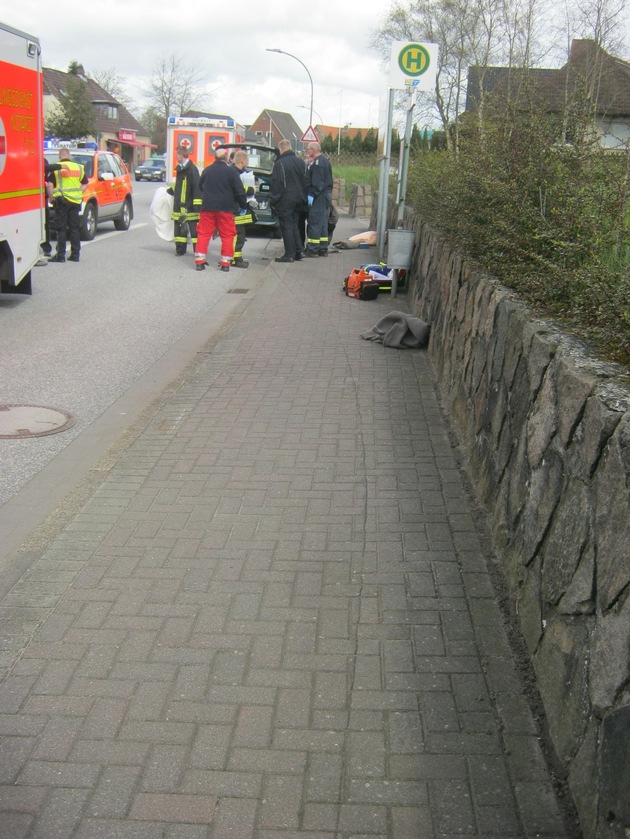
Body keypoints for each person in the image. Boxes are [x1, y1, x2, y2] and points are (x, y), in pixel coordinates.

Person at [194, 148, 247, 272]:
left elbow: (201, 186)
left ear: (214, 158)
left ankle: (200, 261)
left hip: (208, 207)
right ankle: (225, 263)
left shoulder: (207, 170)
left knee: (204, 233)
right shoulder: (231, 172)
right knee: (227, 235)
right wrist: (243, 205)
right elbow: (239, 191)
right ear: (227, 158)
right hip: (226, 208)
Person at [47, 149, 88, 263]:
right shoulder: (78, 167)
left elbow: (49, 185)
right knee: (74, 228)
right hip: (75, 202)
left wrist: (51, 198)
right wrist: (78, 193)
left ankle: (60, 256)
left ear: (60, 156)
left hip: (62, 201)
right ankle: (75, 255)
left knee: (61, 228)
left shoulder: (57, 168)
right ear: (69, 156)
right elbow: (85, 184)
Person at [269, 138, 307, 263]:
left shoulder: (280, 164)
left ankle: (289, 254)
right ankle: (299, 250)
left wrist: (273, 201)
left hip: (286, 199)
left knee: (286, 226)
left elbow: (277, 184)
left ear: (281, 149)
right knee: (295, 225)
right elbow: (306, 181)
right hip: (300, 198)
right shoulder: (301, 162)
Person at [167, 146, 201, 256]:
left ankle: (198, 251)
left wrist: (197, 207)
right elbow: (179, 186)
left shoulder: (192, 169)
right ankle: (180, 250)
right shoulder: (180, 169)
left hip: (189, 206)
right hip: (179, 206)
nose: (175, 156)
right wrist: (170, 191)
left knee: (194, 231)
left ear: (181, 155)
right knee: (178, 229)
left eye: (176, 154)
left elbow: (197, 188)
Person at [230, 149, 259, 268]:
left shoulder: (233, 171)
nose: (247, 163)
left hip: (235, 208)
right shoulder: (235, 174)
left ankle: (235, 257)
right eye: (247, 161)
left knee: (238, 234)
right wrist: (252, 190)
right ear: (242, 161)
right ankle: (235, 259)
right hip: (236, 208)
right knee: (238, 235)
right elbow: (239, 190)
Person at [305, 142, 333, 258]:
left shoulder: (317, 163)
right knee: (322, 223)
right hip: (325, 195)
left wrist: (312, 194)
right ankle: (323, 248)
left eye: (308, 150)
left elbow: (317, 182)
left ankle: (312, 249)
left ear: (313, 150)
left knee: (314, 222)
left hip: (319, 196)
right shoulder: (324, 161)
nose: (307, 152)